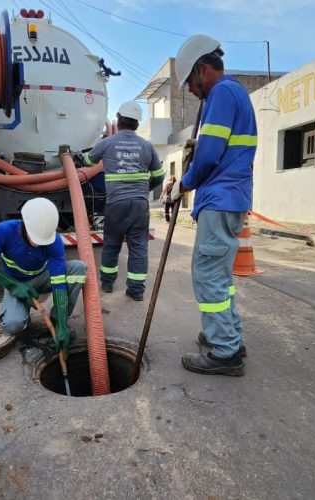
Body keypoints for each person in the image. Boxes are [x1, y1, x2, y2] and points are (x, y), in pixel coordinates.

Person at [170, 35, 257, 376]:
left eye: (191, 82)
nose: (191, 90)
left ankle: (225, 352)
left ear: (203, 69)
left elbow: (208, 156)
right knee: (219, 275)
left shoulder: (220, 94)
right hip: (230, 198)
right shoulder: (235, 93)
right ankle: (228, 336)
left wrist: (184, 182)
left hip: (220, 198)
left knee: (208, 275)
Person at [0, 197, 87, 357]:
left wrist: (62, 323)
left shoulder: (54, 240)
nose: (41, 243)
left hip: (42, 277)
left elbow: (59, 282)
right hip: (15, 281)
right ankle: (22, 313)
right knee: (14, 325)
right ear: (24, 225)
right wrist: (13, 285)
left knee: (78, 268)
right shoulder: (4, 231)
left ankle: (56, 323)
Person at [79, 101, 164, 301]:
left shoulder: (107, 143)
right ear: (136, 123)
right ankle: (136, 290)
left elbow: (88, 162)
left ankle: (107, 282)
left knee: (111, 244)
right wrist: (144, 189)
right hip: (139, 205)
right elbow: (159, 176)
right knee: (138, 247)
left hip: (116, 204)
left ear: (118, 119)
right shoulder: (147, 146)